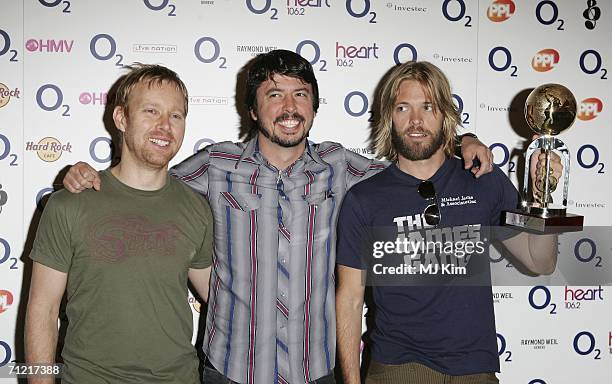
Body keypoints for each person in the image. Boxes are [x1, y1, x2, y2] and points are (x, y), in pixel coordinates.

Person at [61, 50, 494, 384]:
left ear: (314, 107)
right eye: (273, 94)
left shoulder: (343, 168)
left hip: (317, 369)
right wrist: (82, 175)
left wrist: (463, 141)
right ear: (252, 110)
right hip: (230, 369)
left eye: (300, 94)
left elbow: (416, 164)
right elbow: (144, 181)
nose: (289, 106)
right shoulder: (214, 166)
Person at [335, 61, 559, 384]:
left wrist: (541, 197)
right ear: (389, 117)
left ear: (445, 115)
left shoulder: (483, 180)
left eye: (428, 107)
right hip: (399, 368)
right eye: (403, 108)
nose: (416, 120)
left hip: (475, 371)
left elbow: (540, 260)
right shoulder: (364, 199)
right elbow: (350, 299)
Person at [25, 64, 214, 384]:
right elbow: (42, 311)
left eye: (176, 116)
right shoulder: (69, 203)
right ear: (121, 118)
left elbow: (221, 297)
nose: (164, 125)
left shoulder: (196, 207)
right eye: (151, 111)